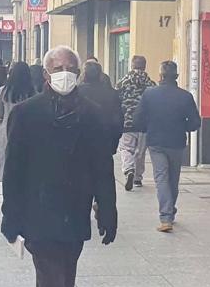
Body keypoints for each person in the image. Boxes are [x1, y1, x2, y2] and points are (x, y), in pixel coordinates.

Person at [0, 45, 117, 287]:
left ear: (78, 73)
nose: (64, 72)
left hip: (74, 215)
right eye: (57, 67)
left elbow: (103, 168)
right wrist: (11, 215)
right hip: (39, 216)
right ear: (46, 74)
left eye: (70, 67)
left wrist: (108, 211)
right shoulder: (26, 113)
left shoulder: (93, 115)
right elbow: (13, 169)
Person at [133, 60, 200, 232]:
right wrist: (182, 127)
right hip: (176, 143)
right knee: (172, 179)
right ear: (176, 76)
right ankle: (169, 212)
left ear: (161, 76)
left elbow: (138, 119)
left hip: (155, 142)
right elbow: (195, 122)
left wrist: (146, 128)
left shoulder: (149, 94)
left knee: (161, 178)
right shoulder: (185, 96)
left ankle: (166, 216)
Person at [115, 55, 156, 191]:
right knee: (140, 152)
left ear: (131, 66)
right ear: (144, 66)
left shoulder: (122, 82)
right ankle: (138, 178)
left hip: (127, 122)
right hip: (144, 123)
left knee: (126, 148)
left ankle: (129, 170)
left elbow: (116, 100)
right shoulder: (151, 84)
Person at [0, 62, 35, 182]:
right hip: (27, 133)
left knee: (6, 166)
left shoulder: (3, 91)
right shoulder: (31, 92)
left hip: (6, 131)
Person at [78, 60, 123, 155]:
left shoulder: (77, 92)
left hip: (81, 145)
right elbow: (118, 121)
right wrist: (113, 144)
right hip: (105, 143)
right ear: (100, 74)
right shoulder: (112, 93)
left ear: (84, 74)